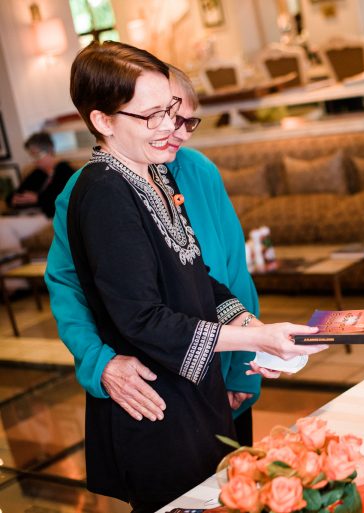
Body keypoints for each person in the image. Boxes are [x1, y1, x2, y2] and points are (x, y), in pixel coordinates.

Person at [61, 40, 326, 513]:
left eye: (170, 110)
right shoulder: (103, 193)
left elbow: (198, 278)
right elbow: (143, 319)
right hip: (154, 403)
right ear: (103, 121)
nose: (169, 126)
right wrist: (256, 338)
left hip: (193, 390)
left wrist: (252, 328)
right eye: (151, 116)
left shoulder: (157, 175)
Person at [46, 65, 266, 447]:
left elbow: (232, 272)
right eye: (163, 117)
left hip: (224, 366)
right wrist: (99, 362)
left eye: (186, 121)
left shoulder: (194, 171)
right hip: (156, 383)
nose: (176, 132)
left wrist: (247, 360)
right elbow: (69, 287)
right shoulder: (94, 190)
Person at [0, 132, 75, 254]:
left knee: (2, 225)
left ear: (50, 152)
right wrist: (12, 199)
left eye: (36, 155)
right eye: (31, 155)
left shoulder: (65, 171)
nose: (34, 160)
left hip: (48, 216)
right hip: (28, 214)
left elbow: (62, 202)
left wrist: (37, 199)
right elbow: (15, 194)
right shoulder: (36, 174)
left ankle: (15, 262)